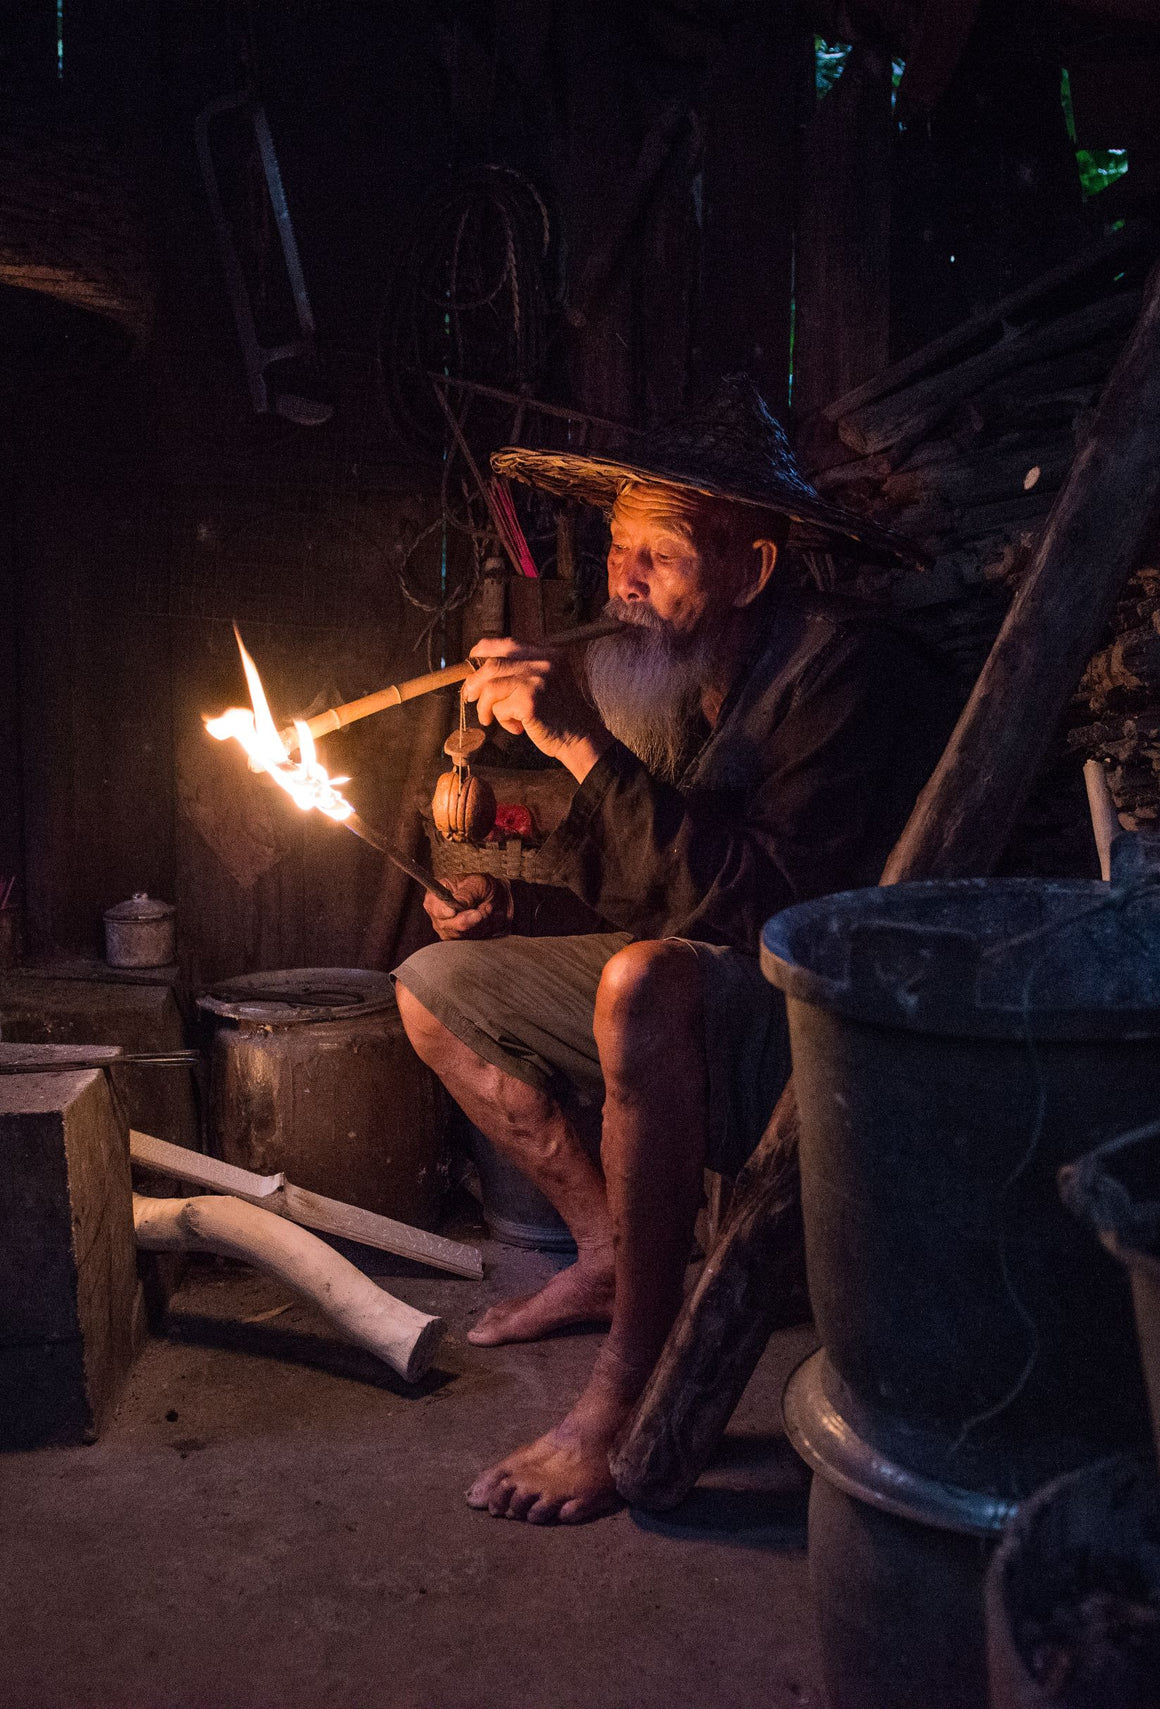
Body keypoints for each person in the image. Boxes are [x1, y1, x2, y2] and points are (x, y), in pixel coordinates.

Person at [392, 376, 962, 1524]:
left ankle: (624, 1387)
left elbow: (759, 909)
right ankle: (606, 1252)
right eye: (615, 549)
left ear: (751, 567)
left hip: (831, 1032)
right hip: (696, 987)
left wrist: (579, 748)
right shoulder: (662, 671)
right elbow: (639, 877)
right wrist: (503, 909)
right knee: (432, 985)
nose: (621, 579)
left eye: (657, 553)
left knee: (641, 980)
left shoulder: (845, 675)